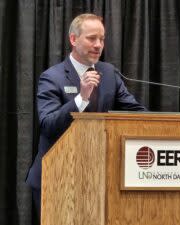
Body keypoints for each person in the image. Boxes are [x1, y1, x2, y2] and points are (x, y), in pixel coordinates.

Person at [25, 13, 146, 221]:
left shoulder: (109, 73)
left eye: (102, 38)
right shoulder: (52, 77)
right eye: (92, 38)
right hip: (58, 178)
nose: (98, 45)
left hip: (99, 178)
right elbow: (48, 124)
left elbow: (135, 112)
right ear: (73, 39)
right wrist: (81, 98)